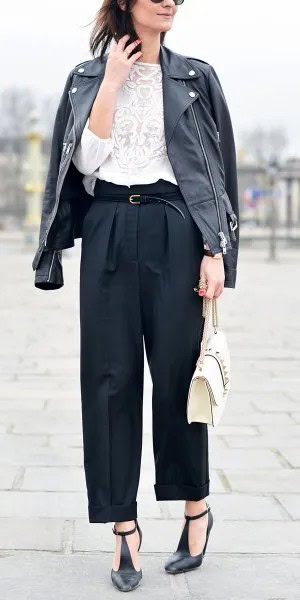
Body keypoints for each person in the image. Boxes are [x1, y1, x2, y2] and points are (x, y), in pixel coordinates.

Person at [32, 0, 239, 592]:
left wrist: (216, 250)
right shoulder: (86, 77)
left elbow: (218, 170)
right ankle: (124, 527)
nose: (168, 0)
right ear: (124, 2)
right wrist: (113, 82)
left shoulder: (196, 77)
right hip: (108, 230)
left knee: (178, 377)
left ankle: (195, 507)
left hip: (176, 230)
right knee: (109, 378)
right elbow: (84, 163)